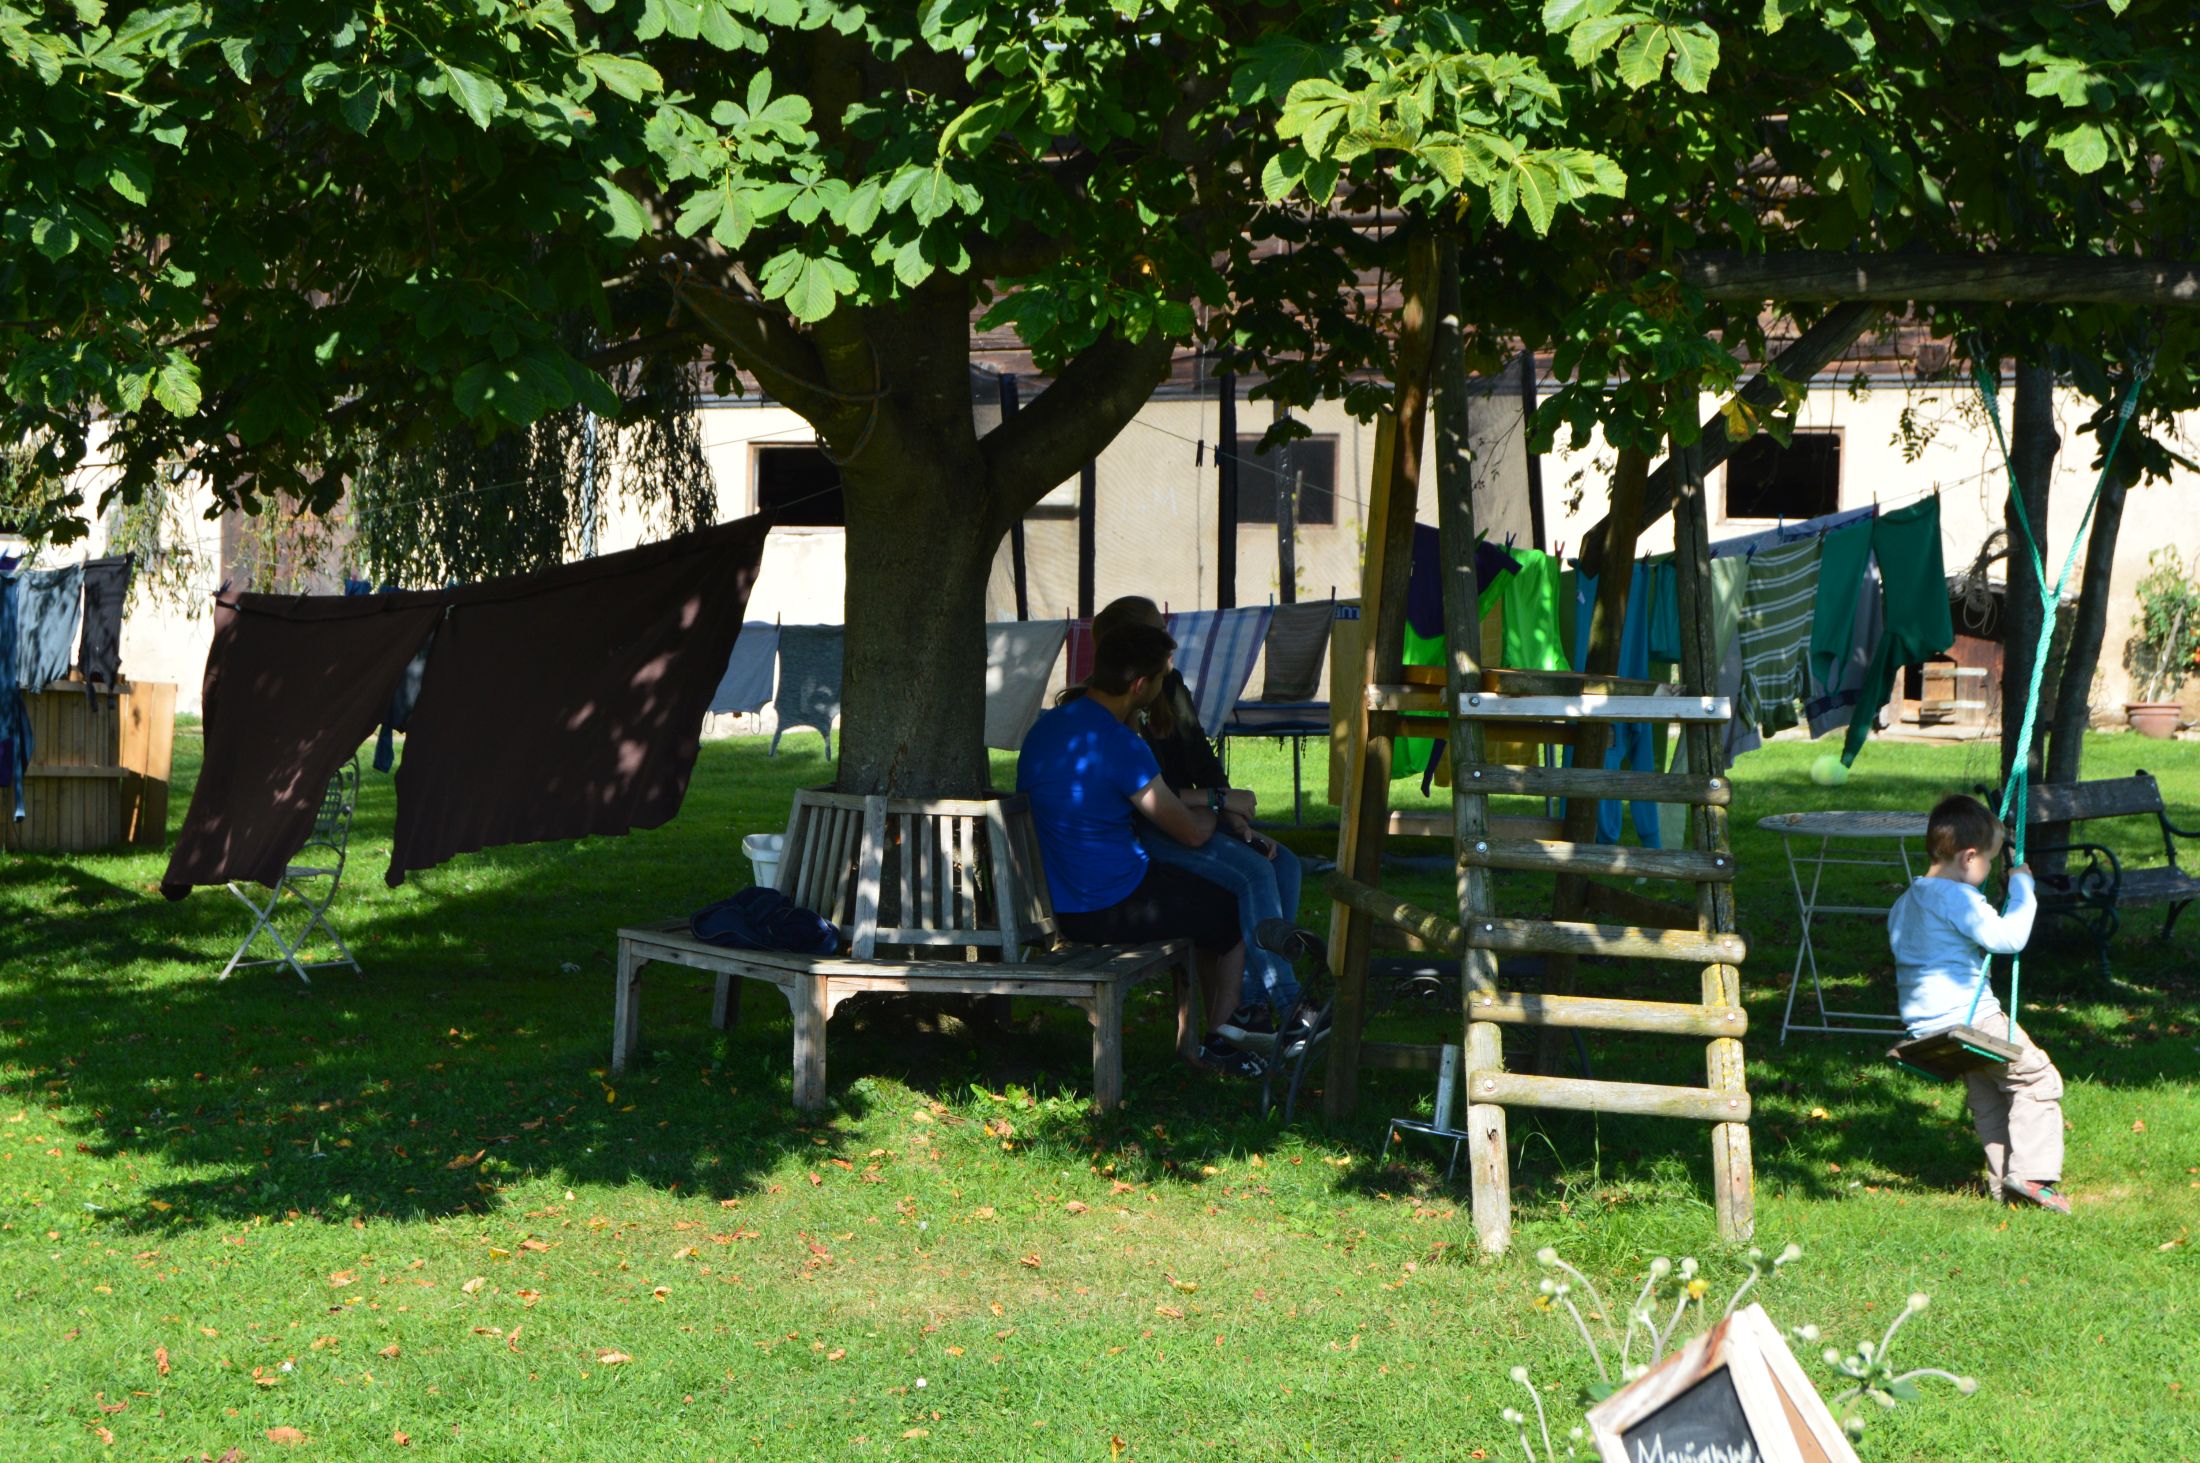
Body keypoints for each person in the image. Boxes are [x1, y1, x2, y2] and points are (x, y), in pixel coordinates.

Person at [1015, 622, 1265, 1077]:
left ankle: (1219, 1034)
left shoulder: (1048, 728)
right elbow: (1191, 833)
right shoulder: (1120, 743)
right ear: (1139, 686)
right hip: (1107, 904)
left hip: (1054, 899)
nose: (1165, 686)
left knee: (1202, 903)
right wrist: (1218, 806)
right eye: (1162, 678)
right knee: (1230, 912)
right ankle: (1223, 1043)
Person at [1084, 597, 1319, 1049]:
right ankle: (1281, 1002)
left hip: (1189, 818)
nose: (1169, 641)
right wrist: (1217, 802)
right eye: (1159, 632)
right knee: (1255, 871)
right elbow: (1143, 798)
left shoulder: (1169, 688)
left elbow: (1200, 759)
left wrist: (1234, 820)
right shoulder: (1112, 708)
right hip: (1149, 830)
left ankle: (1255, 1003)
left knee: (1284, 863)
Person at [1887, 793, 2067, 1213]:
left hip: (1926, 1027)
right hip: (1972, 1019)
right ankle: (2033, 1174)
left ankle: (2005, 1185)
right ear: (1969, 857)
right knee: (2036, 1079)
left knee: (1989, 1094)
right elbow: (2009, 938)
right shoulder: (1957, 899)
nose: (1989, 868)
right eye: (1989, 859)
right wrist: (2022, 889)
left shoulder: (1905, 902)